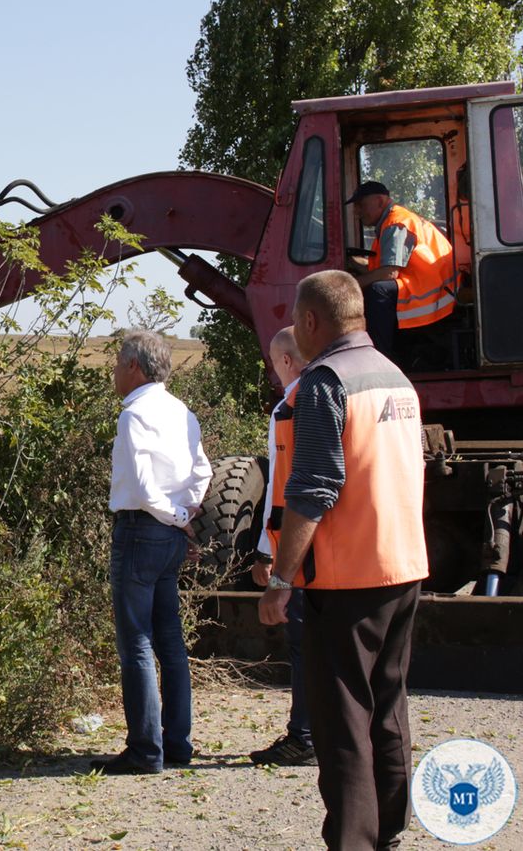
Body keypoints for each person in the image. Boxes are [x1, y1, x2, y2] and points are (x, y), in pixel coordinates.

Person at [259, 270, 429, 850]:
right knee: (388, 708)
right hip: (403, 565)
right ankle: (388, 831)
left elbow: (313, 487)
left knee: (342, 724)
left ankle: (353, 841)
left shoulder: (324, 382)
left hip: (347, 576)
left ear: (310, 322)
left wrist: (281, 578)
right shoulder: (395, 377)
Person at [96, 330, 212, 775]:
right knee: (170, 642)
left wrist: (169, 514)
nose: (114, 372)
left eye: (118, 362)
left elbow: (143, 488)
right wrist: (184, 515)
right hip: (170, 534)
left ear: (134, 367)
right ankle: (176, 742)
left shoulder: (134, 415)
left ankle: (145, 750)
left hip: (141, 530)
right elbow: (201, 469)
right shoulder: (181, 411)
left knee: (137, 644)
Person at [248, 327, 315, 767]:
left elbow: (281, 486)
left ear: (286, 362)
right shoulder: (340, 391)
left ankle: (304, 736)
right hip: (342, 544)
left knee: (303, 641)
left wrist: (266, 552)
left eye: (275, 364)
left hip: (300, 548)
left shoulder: (289, 406)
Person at [346, 180, 456, 358]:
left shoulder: (396, 224)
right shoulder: (393, 221)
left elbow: (389, 273)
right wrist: (353, 264)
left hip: (432, 293)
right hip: (437, 286)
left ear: (380, 201)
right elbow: (382, 269)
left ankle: (380, 356)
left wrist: (350, 285)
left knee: (378, 291)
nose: (357, 212)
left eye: (361, 205)